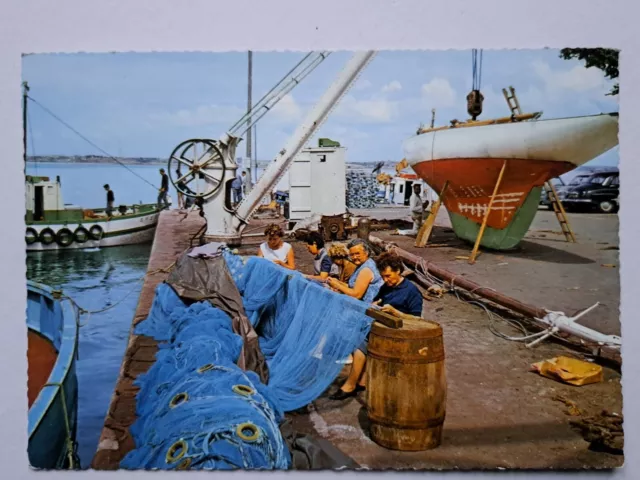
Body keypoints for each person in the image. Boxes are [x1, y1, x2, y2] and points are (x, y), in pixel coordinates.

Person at [329, 252, 424, 400]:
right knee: (358, 336)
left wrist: (396, 313)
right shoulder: (386, 287)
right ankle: (362, 380)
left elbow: (418, 320)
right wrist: (374, 305)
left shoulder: (411, 291)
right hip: (382, 328)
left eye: (388, 276)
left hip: (400, 334)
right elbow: (376, 301)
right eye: (383, 277)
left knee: (360, 344)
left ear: (398, 271)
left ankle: (351, 384)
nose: (386, 280)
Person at [326, 238, 383, 304]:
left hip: (367, 307)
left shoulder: (366, 269)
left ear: (366, 253)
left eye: (357, 253)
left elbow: (356, 295)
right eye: (352, 255)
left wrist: (337, 285)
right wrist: (338, 282)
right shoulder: (361, 265)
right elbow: (352, 286)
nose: (354, 257)